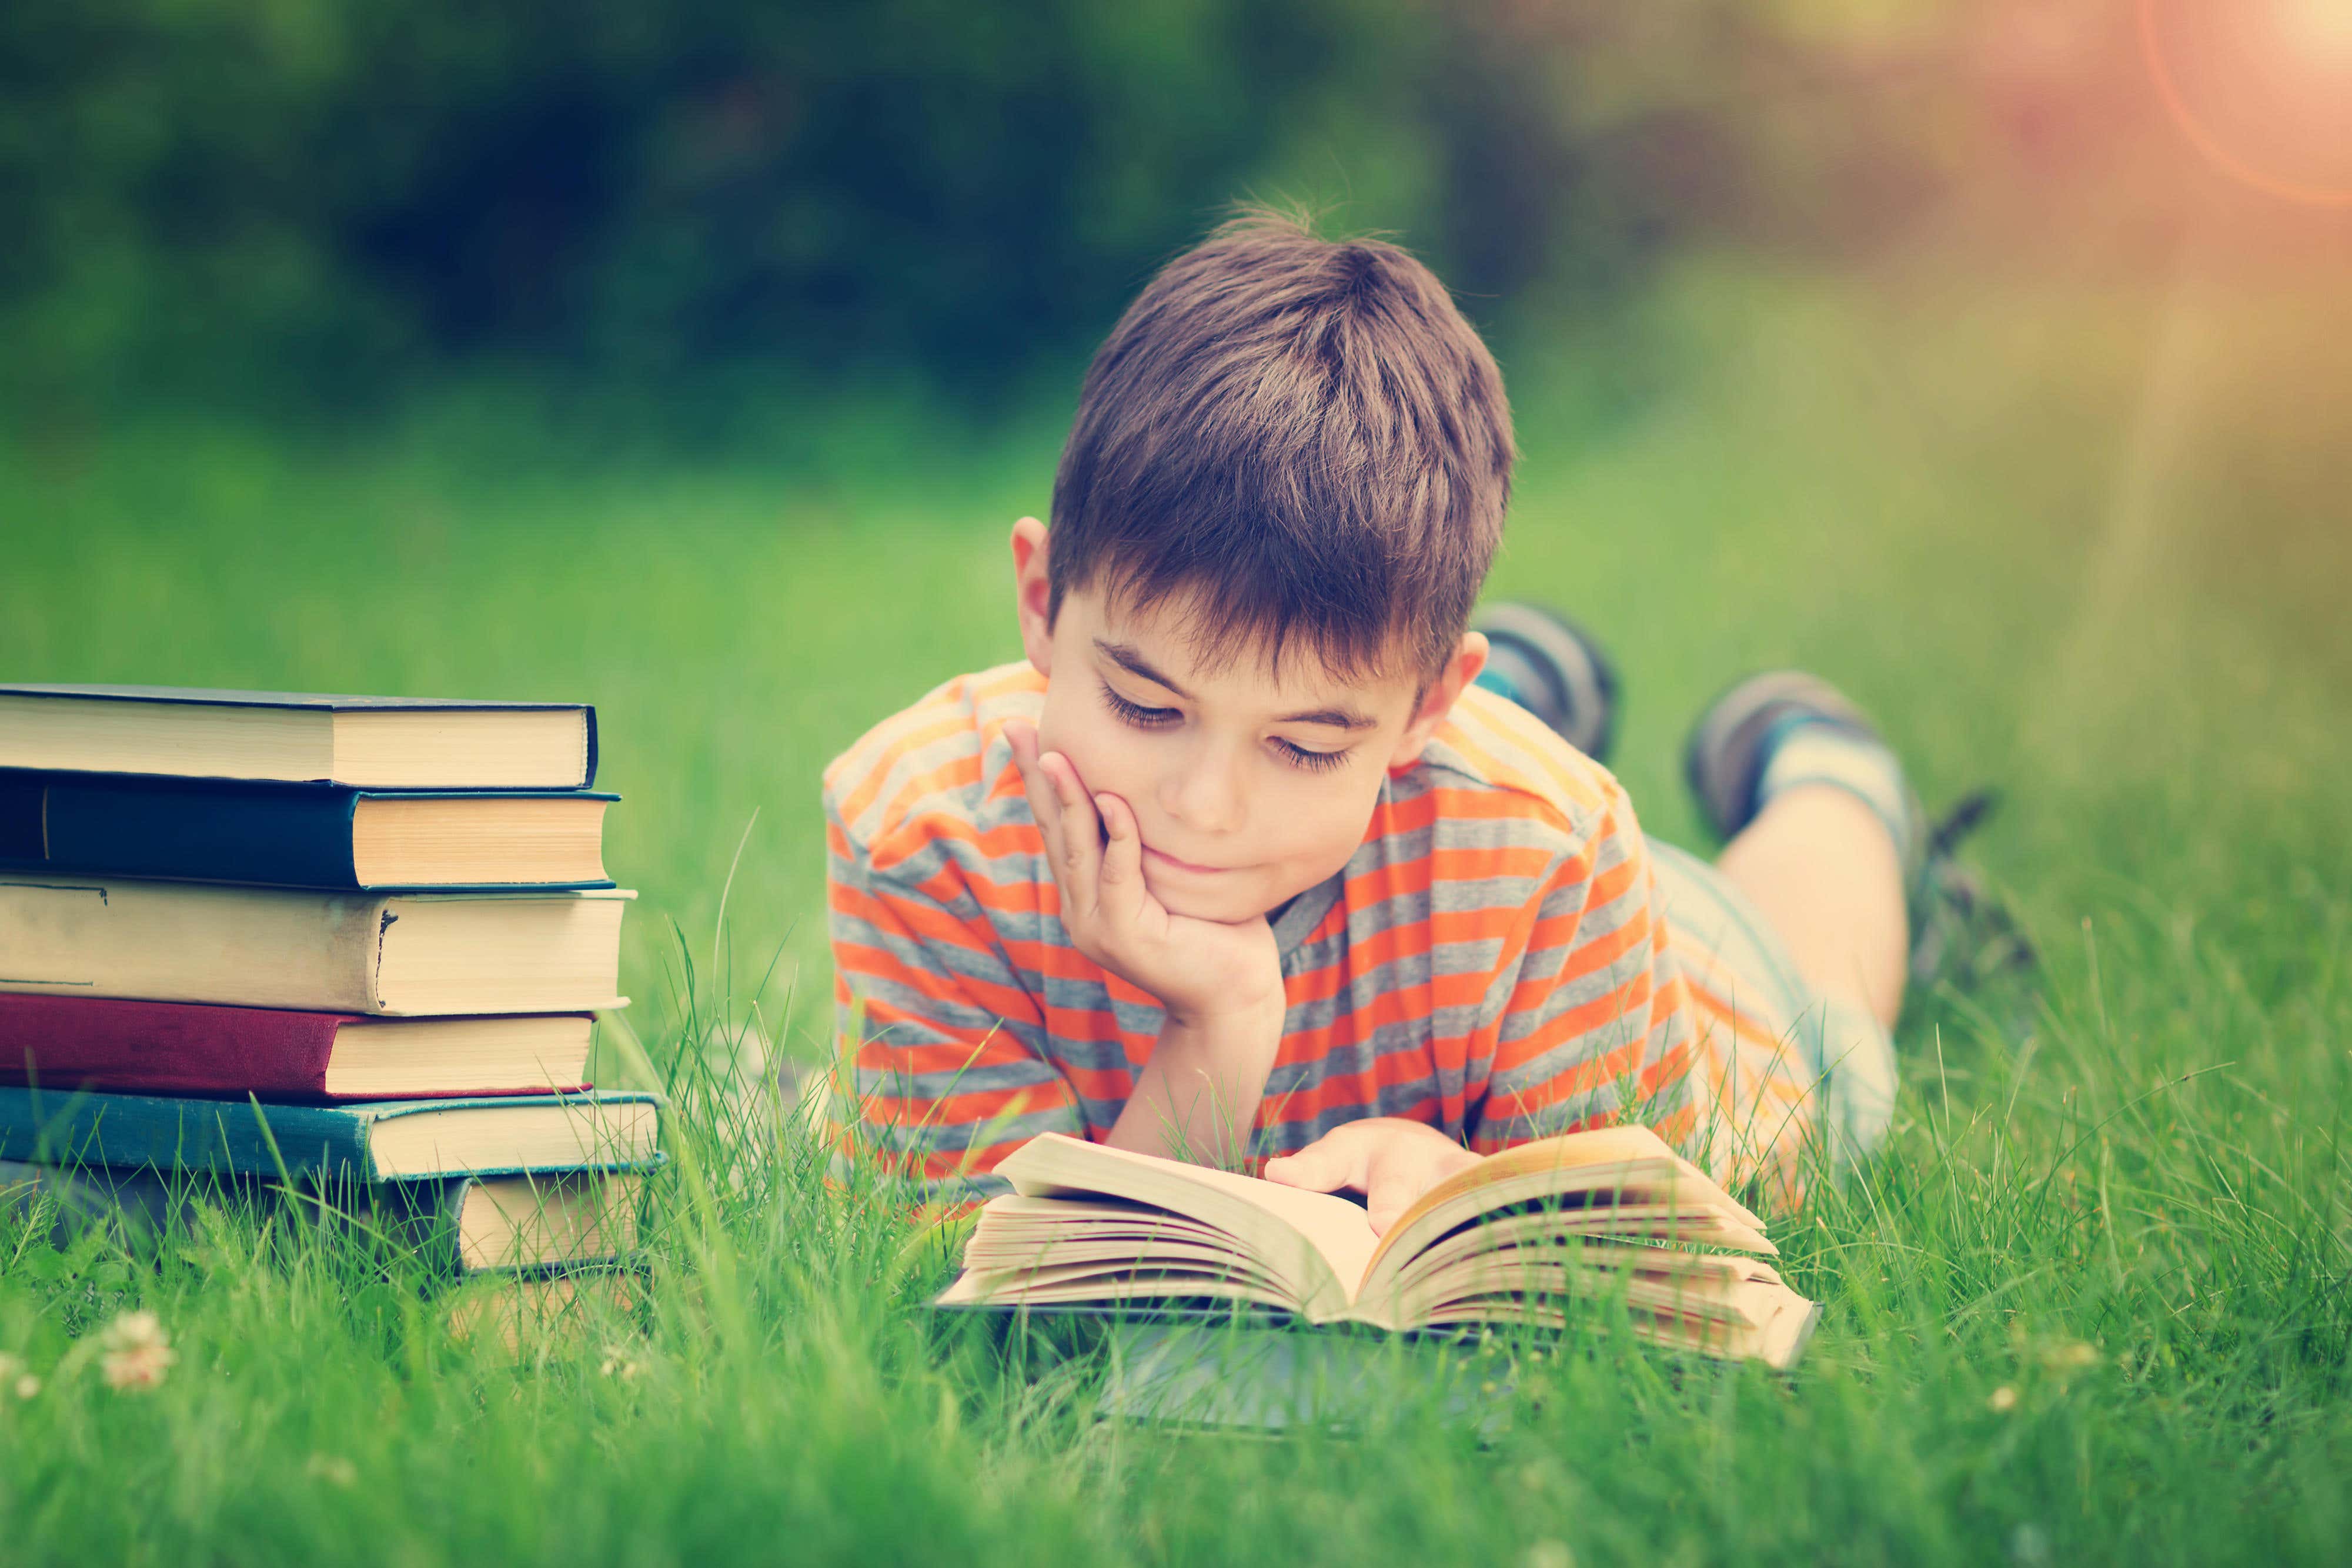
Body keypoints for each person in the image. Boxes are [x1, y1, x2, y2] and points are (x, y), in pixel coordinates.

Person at [823, 209, 1986, 1227]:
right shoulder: (927, 833)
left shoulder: (1552, 849)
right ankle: (1522, 679)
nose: (1203, 806)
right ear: (1039, 600)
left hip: (1631, 960)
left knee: (1811, 979)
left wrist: (1481, 1191)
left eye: (1303, 742)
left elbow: (1640, 1252)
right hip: (1427, 836)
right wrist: (1218, 1024)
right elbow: (994, 1287)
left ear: (1430, 701)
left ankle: (1828, 764)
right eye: (1142, 703)